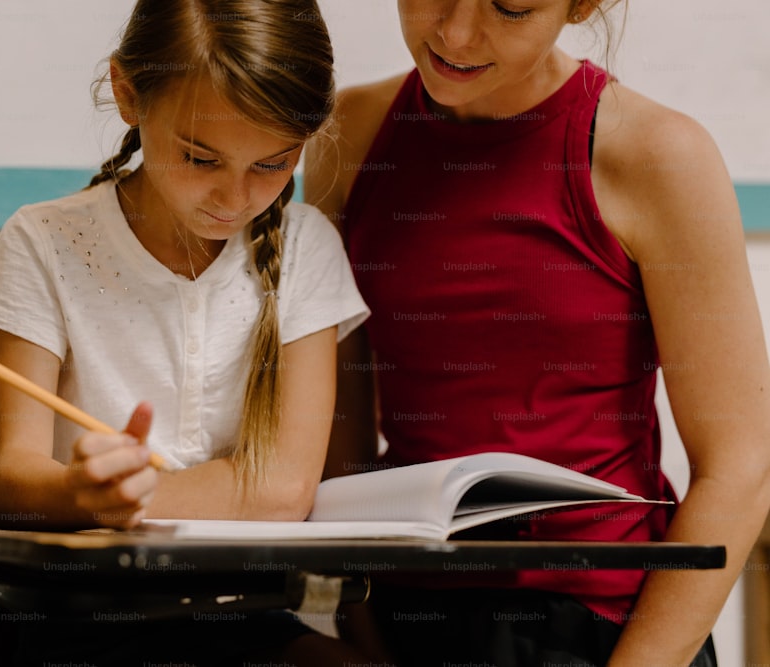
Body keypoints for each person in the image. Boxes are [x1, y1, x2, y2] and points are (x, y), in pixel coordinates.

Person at [305, 1, 770, 666]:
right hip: (404, 612)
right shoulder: (348, 134)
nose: (456, 34)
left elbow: (740, 468)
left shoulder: (659, 155)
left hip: (598, 628)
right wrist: (363, 638)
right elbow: (336, 448)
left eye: (512, 7)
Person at [0, 0, 368, 663]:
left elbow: (285, 492)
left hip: (245, 615)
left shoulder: (308, 248)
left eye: (273, 163)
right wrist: (51, 490)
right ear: (127, 95)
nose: (235, 198)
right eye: (201, 158)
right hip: (73, 616)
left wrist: (79, 500)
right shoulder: (45, 240)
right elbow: (14, 478)